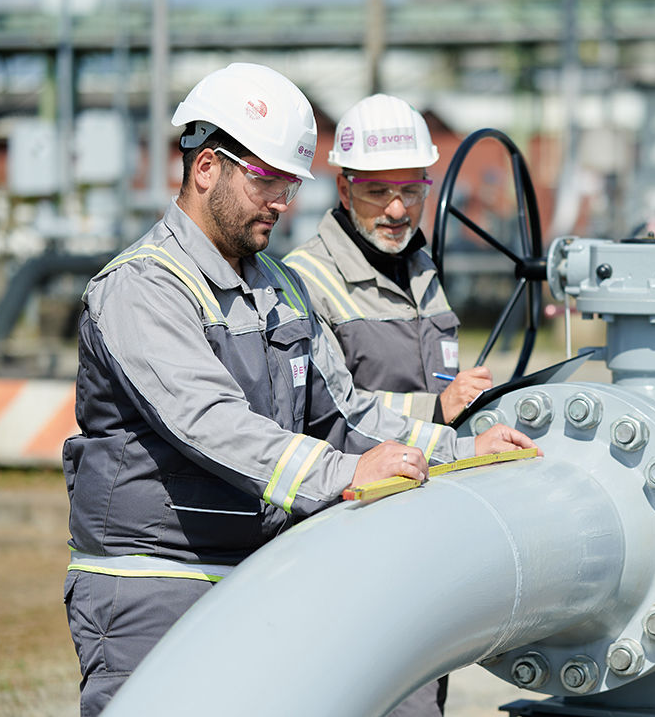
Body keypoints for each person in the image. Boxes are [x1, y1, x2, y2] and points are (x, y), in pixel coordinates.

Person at [62, 63, 535, 717]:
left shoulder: (279, 286)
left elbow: (345, 413)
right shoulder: (144, 287)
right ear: (207, 168)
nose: (282, 201)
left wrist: (460, 449)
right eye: (266, 178)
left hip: (257, 577)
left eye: (288, 183)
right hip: (154, 584)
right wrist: (343, 473)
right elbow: (211, 422)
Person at [284, 94, 491, 429]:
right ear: (345, 190)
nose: (397, 210)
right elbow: (324, 407)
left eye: (411, 191)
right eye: (378, 192)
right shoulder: (305, 280)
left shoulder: (421, 268)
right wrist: (434, 409)